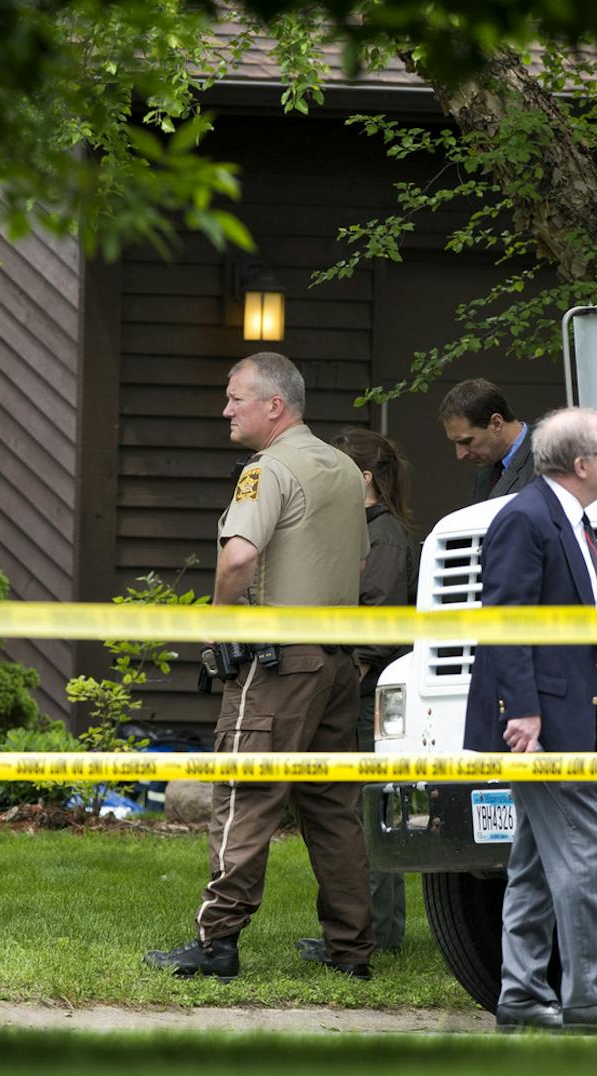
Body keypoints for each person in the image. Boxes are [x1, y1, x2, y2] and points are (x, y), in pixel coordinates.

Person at [146, 352, 376, 980]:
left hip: (276, 666)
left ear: (275, 405)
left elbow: (239, 557)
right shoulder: (345, 470)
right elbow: (356, 568)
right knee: (333, 810)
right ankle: (351, 949)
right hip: (337, 662)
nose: (225, 409)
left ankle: (216, 941)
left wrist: (222, 629)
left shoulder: (267, 469)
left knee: (244, 795)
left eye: (235, 398)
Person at [463, 407, 597, 1034]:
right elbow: (505, 621)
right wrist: (522, 710)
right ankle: (594, 997)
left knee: (531, 862)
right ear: (582, 465)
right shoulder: (526, 519)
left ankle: (523, 993)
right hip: (543, 721)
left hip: (569, 711)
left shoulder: (568, 520)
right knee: (583, 854)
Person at [315, 427, 417, 956]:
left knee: (365, 813)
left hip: (370, 695)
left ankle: (376, 933)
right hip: (359, 692)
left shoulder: (386, 537)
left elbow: (379, 617)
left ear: (364, 479)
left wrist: (353, 668)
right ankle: (374, 929)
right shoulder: (360, 530)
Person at [440, 378, 533, 502]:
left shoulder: (554, 458)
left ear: (496, 423)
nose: (460, 455)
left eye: (466, 441)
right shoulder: (486, 472)